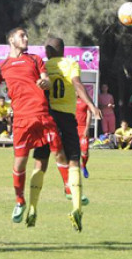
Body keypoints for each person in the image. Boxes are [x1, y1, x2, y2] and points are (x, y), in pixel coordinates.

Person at [0, 27, 64, 228]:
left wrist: (45, 82)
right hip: (21, 120)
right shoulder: (2, 66)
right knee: (19, 165)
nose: (26, 38)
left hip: (41, 114)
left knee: (58, 151)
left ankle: (70, 188)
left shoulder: (34, 59)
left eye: (26, 35)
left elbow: (47, 80)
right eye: (22, 35)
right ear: (11, 40)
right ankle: (19, 201)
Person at [44, 37, 101, 231]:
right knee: (75, 159)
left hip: (48, 115)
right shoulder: (71, 64)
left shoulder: (43, 66)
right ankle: (76, 207)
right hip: (68, 117)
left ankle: (66, 187)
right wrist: (92, 105)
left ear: (48, 52)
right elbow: (77, 84)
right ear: (63, 51)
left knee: (53, 155)